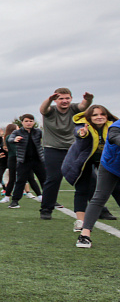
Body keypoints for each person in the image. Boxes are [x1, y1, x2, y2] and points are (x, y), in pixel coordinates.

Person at [40, 88, 93, 220]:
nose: (64, 101)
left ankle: (100, 209)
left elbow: (83, 106)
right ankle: (46, 209)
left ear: (71, 98)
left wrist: (88, 99)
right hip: (53, 148)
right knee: (53, 179)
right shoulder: (50, 110)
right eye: (61, 99)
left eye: (67, 98)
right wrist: (49, 100)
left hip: (74, 148)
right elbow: (43, 110)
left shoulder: (74, 108)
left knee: (89, 178)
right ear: (56, 100)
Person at [63, 105, 117, 234]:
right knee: (82, 188)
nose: (99, 117)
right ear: (89, 117)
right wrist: (83, 133)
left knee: (117, 188)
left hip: (105, 161)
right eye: (95, 115)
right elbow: (79, 133)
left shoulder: (113, 126)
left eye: (102, 114)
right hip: (82, 161)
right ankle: (80, 221)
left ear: (107, 115)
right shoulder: (82, 126)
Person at [76, 114, 120, 248]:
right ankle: (84, 235)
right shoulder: (116, 126)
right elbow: (114, 137)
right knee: (100, 197)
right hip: (111, 166)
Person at [9, 115, 47, 212]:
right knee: (20, 181)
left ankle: (50, 200)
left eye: (31, 121)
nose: (29, 123)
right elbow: (10, 138)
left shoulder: (38, 131)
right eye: (26, 121)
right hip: (24, 161)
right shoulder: (17, 132)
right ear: (22, 122)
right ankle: (15, 201)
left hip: (38, 160)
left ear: (33, 122)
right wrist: (15, 139)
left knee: (45, 180)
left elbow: (48, 137)